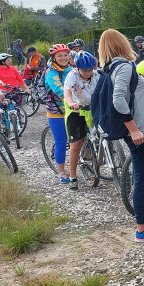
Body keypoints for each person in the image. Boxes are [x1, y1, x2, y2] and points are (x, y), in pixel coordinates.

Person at [98, 29, 144, 242]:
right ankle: (142, 229)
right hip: (139, 132)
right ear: (122, 43)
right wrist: (134, 129)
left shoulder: (112, 66)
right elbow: (118, 100)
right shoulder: (122, 68)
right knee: (143, 179)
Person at [63, 51, 100, 190]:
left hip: (92, 108)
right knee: (76, 144)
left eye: (90, 69)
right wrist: (71, 102)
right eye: (84, 70)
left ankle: (94, 152)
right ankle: (73, 176)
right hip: (76, 110)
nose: (88, 72)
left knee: (103, 133)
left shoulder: (97, 74)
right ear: (78, 68)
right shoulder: (72, 75)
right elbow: (67, 91)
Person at [44, 43, 73, 183]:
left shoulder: (70, 70)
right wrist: (73, 100)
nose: (63, 58)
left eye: (66, 55)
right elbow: (60, 90)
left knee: (82, 138)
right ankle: (61, 172)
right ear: (54, 58)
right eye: (60, 55)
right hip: (56, 112)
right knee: (61, 142)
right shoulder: (51, 73)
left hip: (73, 109)